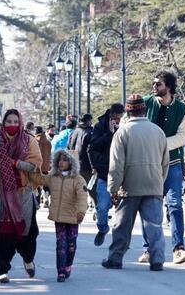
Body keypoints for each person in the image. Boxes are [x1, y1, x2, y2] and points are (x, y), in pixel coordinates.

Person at [101, 94, 169, 272]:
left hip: (129, 187)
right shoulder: (158, 131)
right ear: (144, 110)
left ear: (127, 112)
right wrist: (159, 183)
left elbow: (116, 165)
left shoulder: (122, 132)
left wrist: (113, 188)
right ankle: (157, 260)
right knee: (154, 226)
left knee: (122, 226)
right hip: (153, 185)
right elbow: (165, 163)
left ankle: (115, 258)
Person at [0, 109, 43, 284]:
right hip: (1, 195)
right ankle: (2, 269)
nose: (12, 125)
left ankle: (28, 258)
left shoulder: (29, 141)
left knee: (28, 233)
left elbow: (35, 165)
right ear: (4, 123)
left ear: (20, 122)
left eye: (16, 121)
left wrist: (15, 163)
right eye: (9, 121)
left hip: (23, 193)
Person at [141, 71, 185, 264]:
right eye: (154, 83)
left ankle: (179, 247)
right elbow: (128, 123)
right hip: (148, 164)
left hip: (172, 164)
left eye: (159, 84)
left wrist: (158, 144)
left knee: (175, 204)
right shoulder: (145, 103)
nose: (154, 87)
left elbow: (182, 137)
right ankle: (148, 249)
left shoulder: (182, 109)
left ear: (169, 87)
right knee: (149, 205)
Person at [30, 149, 87, 282]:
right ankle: (60, 271)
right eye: (60, 159)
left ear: (72, 163)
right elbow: (40, 179)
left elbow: (82, 198)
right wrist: (31, 169)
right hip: (59, 217)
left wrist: (81, 212)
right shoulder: (53, 176)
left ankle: (68, 265)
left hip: (73, 217)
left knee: (71, 245)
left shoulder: (78, 180)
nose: (61, 162)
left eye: (65, 160)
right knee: (61, 244)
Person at [88, 103, 124, 246]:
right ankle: (102, 228)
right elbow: (93, 146)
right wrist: (109, 134)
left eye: (120, 118)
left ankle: (120, 241)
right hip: (105, 173)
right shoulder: (100, 126)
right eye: (116, 118)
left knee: (124, 212)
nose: (118, 121)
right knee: (102, 207)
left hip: (123, 173)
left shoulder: (127, 126)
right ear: (111, 115)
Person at [68, 113, 95, 205]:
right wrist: (93, 166)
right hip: (86, 165)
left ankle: (73, 209)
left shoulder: (74, 131)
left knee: (76, 188)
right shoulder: (89, 132)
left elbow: (69, 147)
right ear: (89, 121)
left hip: (75, 164)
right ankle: (97, 210)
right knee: (92, 189)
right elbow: (90, 150)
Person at [34, 126, 52, 208]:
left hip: (37, 166)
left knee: (36, 183)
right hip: (46, 166)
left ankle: (37, 202)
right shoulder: (48, 141)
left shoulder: (35, 141)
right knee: (45, 184)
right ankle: (46, 198)